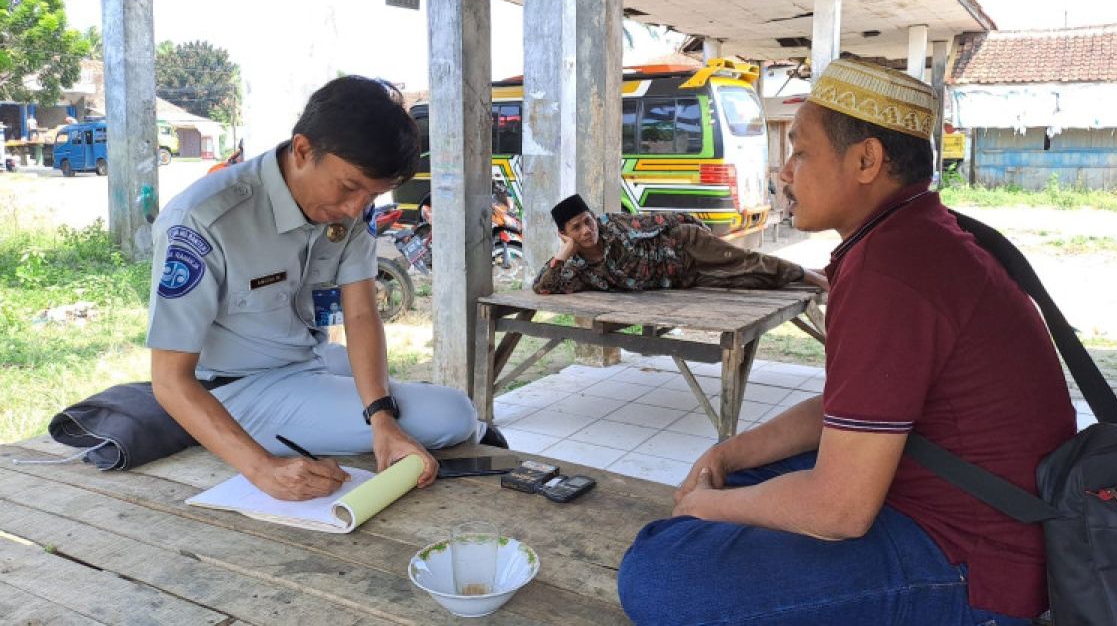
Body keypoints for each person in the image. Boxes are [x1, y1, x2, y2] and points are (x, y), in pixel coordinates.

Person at [617, 58, 1076, 625]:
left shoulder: (894, 268)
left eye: (802, 151)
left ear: (865, 161)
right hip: (953, 506)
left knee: (659, 574)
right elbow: (848, 410)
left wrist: (711, 509)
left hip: (974, 565)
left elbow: (840, 510)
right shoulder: (915, 235)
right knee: (732, 486)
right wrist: (726, 455)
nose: (786, 172)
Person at [149, 76, 489, 503]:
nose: (353, 209)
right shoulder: (203, 220)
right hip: (237, 389)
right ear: (303, 150)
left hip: (309, 360)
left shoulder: (349, 209)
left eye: (372, 195)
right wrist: (263, 470)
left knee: (410, 406)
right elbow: (167, 379)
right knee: (452, 414)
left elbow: (362, 315)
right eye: (349, 187)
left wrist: (382, 419)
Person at [532, 195, 822, 294]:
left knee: (743, 259)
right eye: (576, 227)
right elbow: (543, 287)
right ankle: (802, 274)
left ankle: (812, 276)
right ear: (564, 234)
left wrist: (700, 230)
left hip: (685, 244)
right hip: (683, 277)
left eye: (588, 221)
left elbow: (662, 219)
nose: (587, 230)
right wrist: (564, 254)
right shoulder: (576, 268)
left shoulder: (612, 225)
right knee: (745, 279)